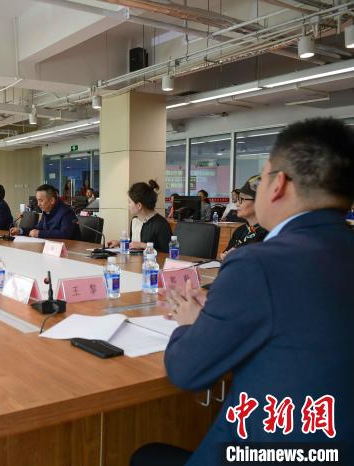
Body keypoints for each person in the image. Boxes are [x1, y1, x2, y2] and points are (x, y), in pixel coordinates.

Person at [132, 118, 354, 465]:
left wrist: (192, 322)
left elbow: (187, 371)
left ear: (278, 184)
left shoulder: (258, 263)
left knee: (145, 456)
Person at [107, 180, 172, 253]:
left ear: (139, 206)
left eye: (129, 202)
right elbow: (135, 245)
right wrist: (120, 243)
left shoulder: (161, 224)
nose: (128, 205)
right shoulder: (134, 220)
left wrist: (143, 245)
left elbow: (168, 252)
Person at [219, 177, 268, 260]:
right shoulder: (240, 231)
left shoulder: (268, 235)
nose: (237, 204)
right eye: (238, 199)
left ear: (259, 202)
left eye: (242, 199)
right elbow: (225, 254)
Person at [10, 184, 79, 239]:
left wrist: (40, 233)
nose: (38, 204)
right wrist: (20, 230)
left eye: (41, 200)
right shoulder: (47, 210)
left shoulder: (66, 212)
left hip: (70, 248)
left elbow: (64, 234)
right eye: (37, 200)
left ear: (52, 200)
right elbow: (37, 229)